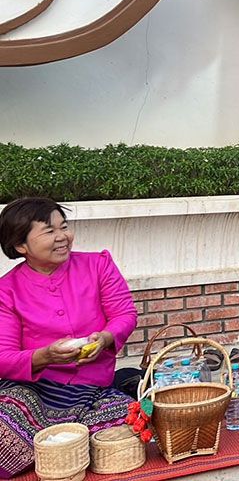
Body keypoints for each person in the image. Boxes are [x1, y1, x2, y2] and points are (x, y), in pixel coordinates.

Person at [0, 197, 137, 478]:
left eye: (64, 227)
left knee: (129, 422)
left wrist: (106, 338)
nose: (63, 237)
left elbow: (125, 313)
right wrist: (44, 356)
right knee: (8, 423)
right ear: (20, 245)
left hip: (92, 387)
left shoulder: (97, 265)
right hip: (34, 390)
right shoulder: (7, 290)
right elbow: (4, 357)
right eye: (49, 231)